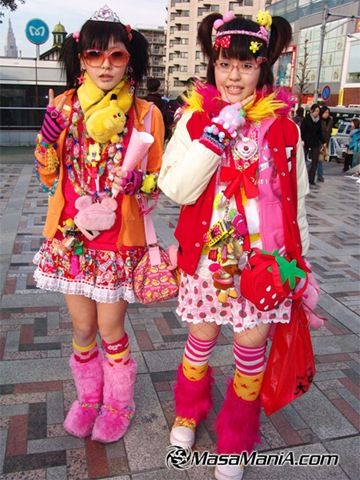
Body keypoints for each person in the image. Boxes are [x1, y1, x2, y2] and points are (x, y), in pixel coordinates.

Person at [158, 10, 316, 480]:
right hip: (208, 262)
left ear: (262, 67)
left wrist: (299, 265)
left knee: (251, 349)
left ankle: (237, 438)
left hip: (263, 265)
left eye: (246, 66)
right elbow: (178, 190)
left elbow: (297, 201)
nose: (235, 76)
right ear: (213, 64)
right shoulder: (192, 118)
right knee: (201, 340)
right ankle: (188, 411)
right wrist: (215, 135)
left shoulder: (284, 126)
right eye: (225, 64)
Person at [33, 5, 164, 443]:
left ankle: (118, 404)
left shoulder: (147, 115)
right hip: (72, 241)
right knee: (83, 330)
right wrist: (46, 142)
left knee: (110, 331)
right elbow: (49, 175)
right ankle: (88, 398)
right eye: (94, 55)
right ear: (80, 59)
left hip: (117, 243)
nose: (105, 65)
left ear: (131, 59)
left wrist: (139, 181)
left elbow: (155, 189)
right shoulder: (64, 106)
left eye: (116, 56)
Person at [300, 103, 324, 186]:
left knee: (315, 162)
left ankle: (311, 179)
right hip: (306, 143)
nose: (317, 113)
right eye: (316, 111)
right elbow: (302, 131)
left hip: (315, 143)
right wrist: (302, 140)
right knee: (304, 161)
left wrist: (323, 142)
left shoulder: (319, 121)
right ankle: (303, 178)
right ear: (312, 111)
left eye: (318, 111)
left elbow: (320, 133)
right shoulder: (306, 119)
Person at [317, 106, 333, 182]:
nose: (327, 114)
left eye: (328, 113)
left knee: (319, 160)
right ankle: (320, 175)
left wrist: (326, 142)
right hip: (318, 142)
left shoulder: (330, 121)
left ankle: (319, 175)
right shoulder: (319, 120)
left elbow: (329, 132)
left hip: (325, 143)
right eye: (325, 112)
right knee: (318, 160)